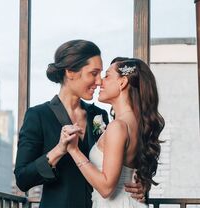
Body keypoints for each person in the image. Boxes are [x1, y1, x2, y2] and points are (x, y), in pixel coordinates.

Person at [14, 41, 145, 208]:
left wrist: (137, 185)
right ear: (70, 72)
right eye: (94, 73)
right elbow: (22, 179)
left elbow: (116, 162)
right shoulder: (38, 116)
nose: (99, 81)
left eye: (101, 74)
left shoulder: (99, 115)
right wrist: (58, 151)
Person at [65, 57, 165, 207]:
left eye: (107, 76)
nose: (99, 82)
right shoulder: (137, 124)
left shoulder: (118, 126)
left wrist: (73, 150)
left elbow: (106, 188)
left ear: (122, 82)